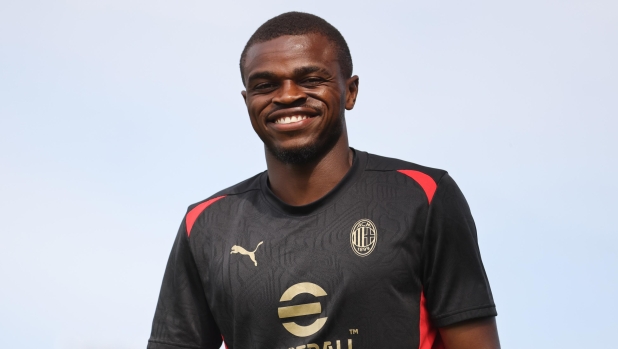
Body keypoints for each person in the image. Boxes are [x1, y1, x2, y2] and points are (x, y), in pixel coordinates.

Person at [148, 12, 500, 349]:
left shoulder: (422, 197)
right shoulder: (208, 226)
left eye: (311, 79)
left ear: (350, 91)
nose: (287, 96)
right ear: (247, 101)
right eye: (265, 85)